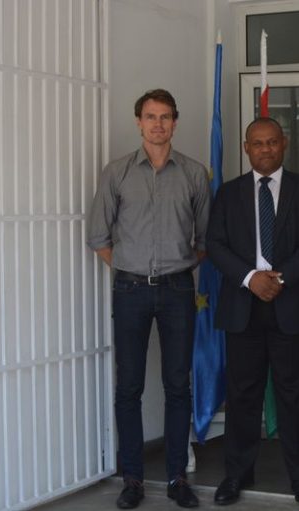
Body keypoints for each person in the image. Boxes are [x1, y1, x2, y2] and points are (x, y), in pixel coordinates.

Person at [87, 89, 210, 509]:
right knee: (129, 386)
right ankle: (133, 479)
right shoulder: (117, 173)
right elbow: (99, 236)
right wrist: (130, 268)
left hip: (178, 290)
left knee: (178, 385)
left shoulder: (194, 174)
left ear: (176, 122)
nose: (158, 124)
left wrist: (173, 268)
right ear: (138, 122)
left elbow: (204, 240)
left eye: (165, 117)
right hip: (130, 290)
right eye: (151, 117)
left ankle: (177, 477)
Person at [206, 117, 299, 506]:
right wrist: (250, 279)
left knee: (297, 398)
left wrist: (280, 278)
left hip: (292, 305)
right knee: (243, 395)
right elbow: (215, 244)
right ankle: (236, 475)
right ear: (246, 148)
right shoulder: (228, 193)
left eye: (272, 142)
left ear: (284, 143)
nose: (265, 149)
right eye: (257, 143)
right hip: (243, 307)